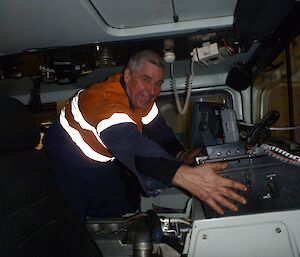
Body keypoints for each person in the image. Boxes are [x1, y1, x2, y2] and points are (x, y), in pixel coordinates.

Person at [43, 49, 247, 222]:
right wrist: (185, 176)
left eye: (158, 83)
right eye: (146, 80)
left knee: (124, 205)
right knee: (72, 224)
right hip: (66, 162)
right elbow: (131, 145)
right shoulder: (105, 101)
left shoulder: (142, 99)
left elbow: (160, 132)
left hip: (100, 161)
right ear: (128, 76)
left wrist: (180, 155)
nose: (152, 91)